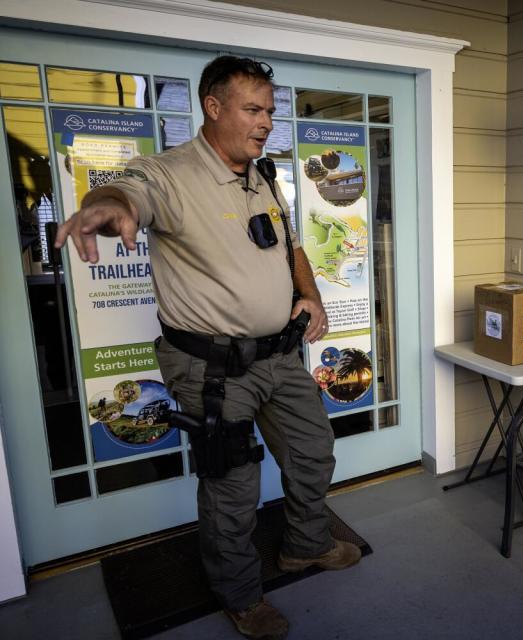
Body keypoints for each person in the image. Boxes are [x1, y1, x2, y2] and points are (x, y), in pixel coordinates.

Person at [55, 55, 361, 640]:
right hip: (212, 368)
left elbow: (291, 246)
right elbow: (130, 193)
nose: (266, 120)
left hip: (280, 355)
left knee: (313, 453)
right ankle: (241, 596)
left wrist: (311, 297)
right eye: (252, 109)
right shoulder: (170, 174)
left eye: (269, 110)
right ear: (213, 107)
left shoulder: (264, 175)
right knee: (231, 485)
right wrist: (110, 204)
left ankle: (306, 546)